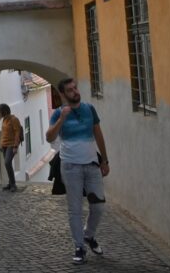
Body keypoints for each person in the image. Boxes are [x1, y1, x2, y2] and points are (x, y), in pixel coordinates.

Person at [46, 77, 110, 265]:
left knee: (98, 206)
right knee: (74, 209)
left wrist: (104, 160)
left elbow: (98, 133)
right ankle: (79, 246)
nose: (75, 91)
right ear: (63, 94)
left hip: (92, 164)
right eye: (70, 90)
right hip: (70, 166)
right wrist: (62, 118)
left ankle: (88, 235)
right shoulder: (58, 113)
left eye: (75, 88)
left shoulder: (89, 109)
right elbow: (50, 136)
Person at [0, 103, 23, 192]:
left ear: (3, 112)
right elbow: (4, 133)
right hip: (4, 145)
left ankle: (13, 185)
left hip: (11, 144)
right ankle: (10, 184)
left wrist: (15, 146)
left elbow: (17, 133)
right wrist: (1, 144)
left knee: (7, 163)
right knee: (7, 164)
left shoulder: (14, 119)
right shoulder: (4, 120)